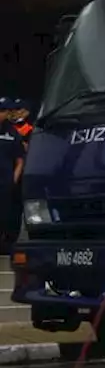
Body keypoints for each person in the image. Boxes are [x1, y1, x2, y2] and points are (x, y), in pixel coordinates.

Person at [0, 99, 23, 255]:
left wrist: (13, 179)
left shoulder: (12, 132)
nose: (4, 114)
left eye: (5, 111)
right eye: (2, 111)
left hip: (5, 182)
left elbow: (20, 159)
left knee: (6, 215)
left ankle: (6, 245)